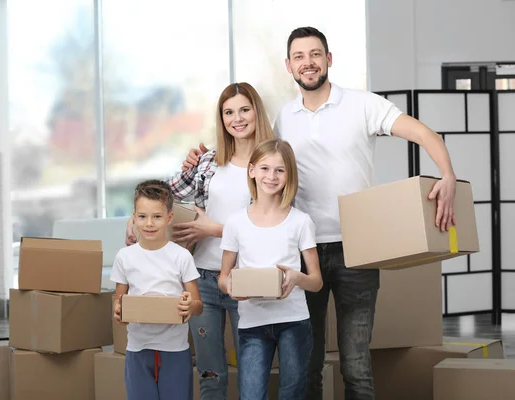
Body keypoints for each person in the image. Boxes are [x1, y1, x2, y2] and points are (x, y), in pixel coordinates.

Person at [182, 27, 458, 400]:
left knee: (356, 364)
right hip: (302, 252)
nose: (307, 62)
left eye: (315, 54)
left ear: (329, 59)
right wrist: (200, 158)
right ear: (289, 65)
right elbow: (252, 165)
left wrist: (448, 176)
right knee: (306, 366)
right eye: (299, 56)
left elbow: (427, 135)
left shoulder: (363, 104)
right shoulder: (283, 118)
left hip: (358, 250)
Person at [125, 82, 276, 399]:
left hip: (245, 280)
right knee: (210, 373)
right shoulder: (207, 161)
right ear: (221, 119)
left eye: (244, 109)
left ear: (257, 112)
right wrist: (134, 217)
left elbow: (276, 225)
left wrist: (214, 229)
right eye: (228, 112)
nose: (237, 118)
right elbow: (163, 196)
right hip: (202, 280)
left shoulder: (272, 164)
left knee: (252, 376)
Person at [218, 138, 322, 400]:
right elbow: (223, 277)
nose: (271, 176)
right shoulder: (235, 223)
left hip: (293, 321)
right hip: (252, 322)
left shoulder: (301, 222)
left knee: (292, 393)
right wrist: (230, 287)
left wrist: (297, 278)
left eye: (280, 170)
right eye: (265, 168)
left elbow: (316, 281)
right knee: (251, 395)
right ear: (251, 171)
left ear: (289, 175)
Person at [112, 179, 203, 400]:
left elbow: (198, 305)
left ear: (169, 218)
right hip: (138, 348)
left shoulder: (181, 256)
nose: (149, 224)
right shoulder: (125, 257)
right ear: (133, 217)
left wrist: (189, 305)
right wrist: (119, 311)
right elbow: (119, 302)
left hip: (175, 350)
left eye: (157, 217)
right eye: (142, 217)